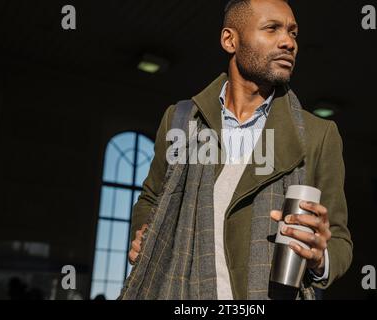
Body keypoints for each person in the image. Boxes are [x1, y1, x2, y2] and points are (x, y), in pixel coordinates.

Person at [120, 0, 352, 300]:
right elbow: (151, 198)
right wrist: (141, 236)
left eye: (293, 33)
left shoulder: (319, 136)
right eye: (272, 29)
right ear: (230, 40)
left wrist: (320, 257)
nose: (288, 42)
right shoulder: (179, 120)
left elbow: (340, 240)